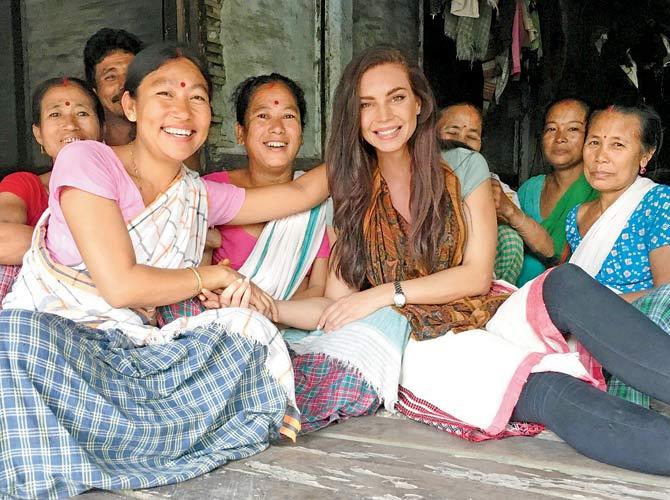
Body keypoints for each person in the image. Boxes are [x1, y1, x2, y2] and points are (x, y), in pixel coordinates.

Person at [276, 46, 670, 474]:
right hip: (423, 345)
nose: (383, 116)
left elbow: (477, 274)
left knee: (565, 283)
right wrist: (269, 307)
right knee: (545, 392)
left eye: (396, 97)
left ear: (419, 103)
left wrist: (388, 293)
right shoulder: (349, 198)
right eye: (366, 104)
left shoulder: (463, 166)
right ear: (353, 115)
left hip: (484, 307)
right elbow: (341, 306)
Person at [0, 42, 328, 499]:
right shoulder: (89, 161)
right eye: (165, 95)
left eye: (196, 97)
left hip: (135, 353)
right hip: (60, 338)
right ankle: (137, 439)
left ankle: (112, 438)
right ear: (130, 105)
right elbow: (119, 285)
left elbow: (300, 194)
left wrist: (368, 138)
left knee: (250, 332)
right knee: (14, 340)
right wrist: (212, 276)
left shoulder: (197, 193)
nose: (183, 110)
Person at [158, 73, 331, 325]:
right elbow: (186, 277)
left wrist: (263, 309)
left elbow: (318, 290)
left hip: (286, 331)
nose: (277, 127)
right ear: (240, 132)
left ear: (302, 135)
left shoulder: (315, 207)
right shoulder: (209, 191)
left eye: (289, 116)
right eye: (263, 116)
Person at [565, 104, 670, 406]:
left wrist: (594, 307)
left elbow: (664, 295)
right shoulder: (576, 217)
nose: (601, 157)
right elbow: (566, 287)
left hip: (635, 342)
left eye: (618, 145)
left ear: (645, 155)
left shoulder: (658, 203)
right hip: (581, 336)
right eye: (594, 142)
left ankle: (625, 410)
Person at [0, 77, 104, 301]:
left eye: (82, 113)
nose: (70, 124)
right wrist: (93, 247)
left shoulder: (125, 186)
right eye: (55, 114)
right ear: (38, 134)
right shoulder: (28, 186)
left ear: (102, 128)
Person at [494, 98, 598, 286]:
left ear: (590, 137)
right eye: (551, 129)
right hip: (511, 299)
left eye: (573, 129)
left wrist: (511, 212)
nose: (560, 138)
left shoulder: (598, 191)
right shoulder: (529, 189)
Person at [438, 102, 524, 284]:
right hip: (430, 269)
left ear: (481, 144)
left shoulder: (494, 185)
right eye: (452, 132)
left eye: (471, 136)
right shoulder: (418, 175)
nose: (461, 141)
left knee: (510, 238)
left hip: (475, 275)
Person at [84, 27, 143, 146]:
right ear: (94, 91)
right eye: (111, 77)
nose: (123, 84)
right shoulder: (88, 150)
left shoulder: (168, 140)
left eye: (130, 73)